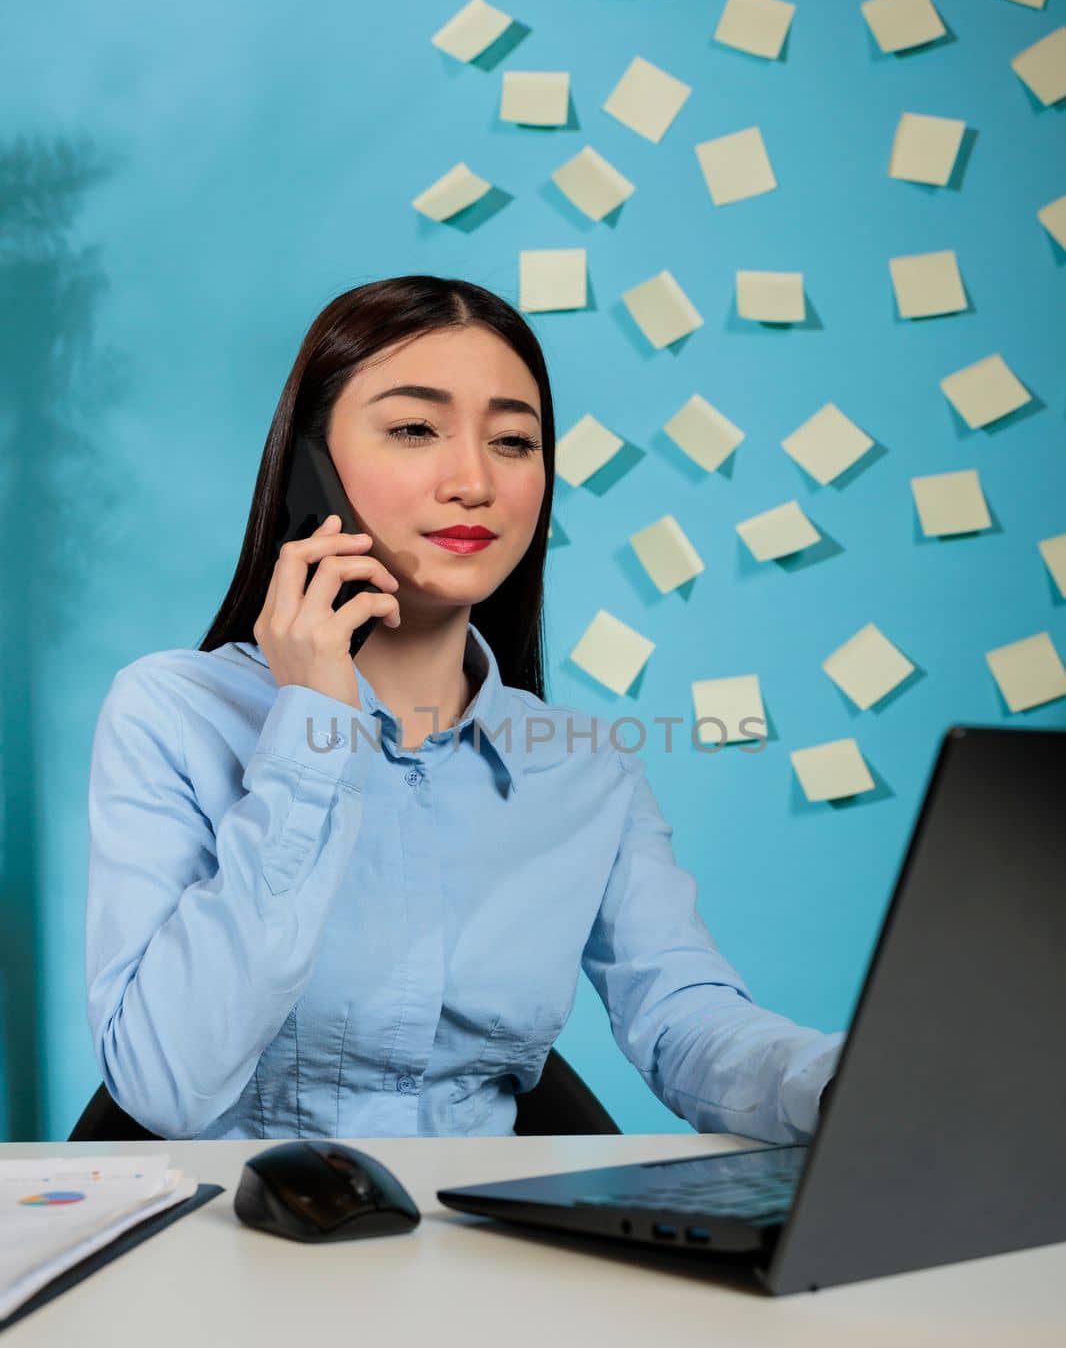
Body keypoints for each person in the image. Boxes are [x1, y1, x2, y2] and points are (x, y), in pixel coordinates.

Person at [84, 274, 844, 1142]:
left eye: (514, 441)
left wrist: (840, 1082)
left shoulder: (587, 766)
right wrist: (310, 728)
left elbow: (683, 1016)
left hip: (480, 1250)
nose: (475, 481)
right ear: (311, 469)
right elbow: (164, 1084)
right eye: (415, 429)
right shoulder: (175, 711)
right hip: (237, 1248)